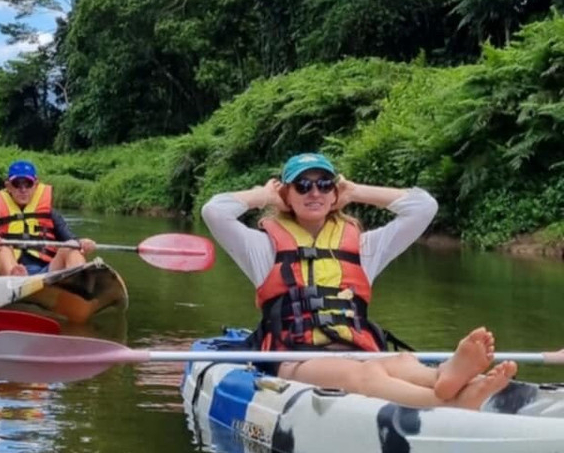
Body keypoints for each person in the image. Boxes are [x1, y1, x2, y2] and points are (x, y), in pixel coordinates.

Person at [200, 151, 516, 410]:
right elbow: (215, 212)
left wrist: (355, 192)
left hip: (359, 348)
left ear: (335, 193)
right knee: (366, 373)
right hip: (297, 358)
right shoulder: (262, 248)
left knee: (402, 363)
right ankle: (450, 403)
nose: (315, 192)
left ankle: (445, 376)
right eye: (302, 185)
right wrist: (264, 195)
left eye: (325, 184)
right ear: (286, 194)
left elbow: (424, 207)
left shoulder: (363, 248)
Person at [0, 160, 97, 276]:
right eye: (17, 184)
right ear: (8, 186)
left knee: (71, 246)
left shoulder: (51, 214)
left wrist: (82, 243)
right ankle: (16, 278)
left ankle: (80, 282)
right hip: (8, 273)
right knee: (2, 247)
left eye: (28, 184)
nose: (23, 190)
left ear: (36, 185)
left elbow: (71, 239)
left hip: (44, 272)